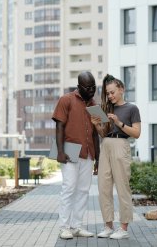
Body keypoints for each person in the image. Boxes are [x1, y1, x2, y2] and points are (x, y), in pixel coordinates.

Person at [90, 74, 141, 240]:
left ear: (121, 89)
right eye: (108, 93)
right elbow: (103, 133)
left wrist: (119, 123)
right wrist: (97, 124)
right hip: (105, 144)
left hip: (121, 145)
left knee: (122, 187)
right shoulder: (107, 109)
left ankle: (124, 228)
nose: (110, 96)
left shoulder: (132, 109)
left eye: (112, 92)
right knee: (103, 186)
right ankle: (108, 226)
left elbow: (137, 133)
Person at [52, 71, 100, 239]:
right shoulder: (66, 99)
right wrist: (59, 151)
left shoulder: (95, 104)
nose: (92, 90)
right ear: (79, 86)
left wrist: (98, 159)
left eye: (94, 87)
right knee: (69, 188)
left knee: (83, 190)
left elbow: (97, 133)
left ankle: (77, 226)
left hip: (88, 152)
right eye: (88, 87)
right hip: (70, 149)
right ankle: (64, 227)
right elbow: (59, 126)